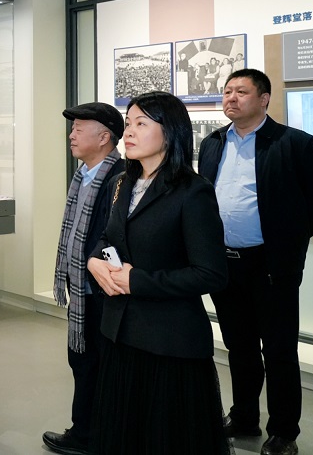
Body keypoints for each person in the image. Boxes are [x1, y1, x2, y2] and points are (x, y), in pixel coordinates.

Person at [198, 69, 313, 455]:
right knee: (238, 346)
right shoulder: (213, 143)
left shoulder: (296, 144)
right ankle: (244, 416)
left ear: (263, 99)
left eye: (241, 91)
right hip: (226, 264)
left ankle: (283, 432)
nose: (231, 97)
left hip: (271, 265)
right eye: (227, 91)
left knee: (278, 351)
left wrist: (289, 239)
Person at [87, 91, 229, 455]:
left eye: (141, 124)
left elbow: (210, 273)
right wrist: (94, 261)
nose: (128, 132)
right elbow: (108, 237)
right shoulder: (122, 183)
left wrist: (137, 281)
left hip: (168, 342)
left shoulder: (192, 191)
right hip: (120, 334)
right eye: (128, 123)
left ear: (170, 131)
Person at [43, 102, 125, 455]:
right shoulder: (84, 176)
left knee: (99, 364)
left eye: (79, 129)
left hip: (105, 290)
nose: (71, 135)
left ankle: (90, 435)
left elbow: (113, 238)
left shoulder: (120, 178)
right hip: (84, 288)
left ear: (104, 137)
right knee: (84, 361)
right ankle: (88, 431)